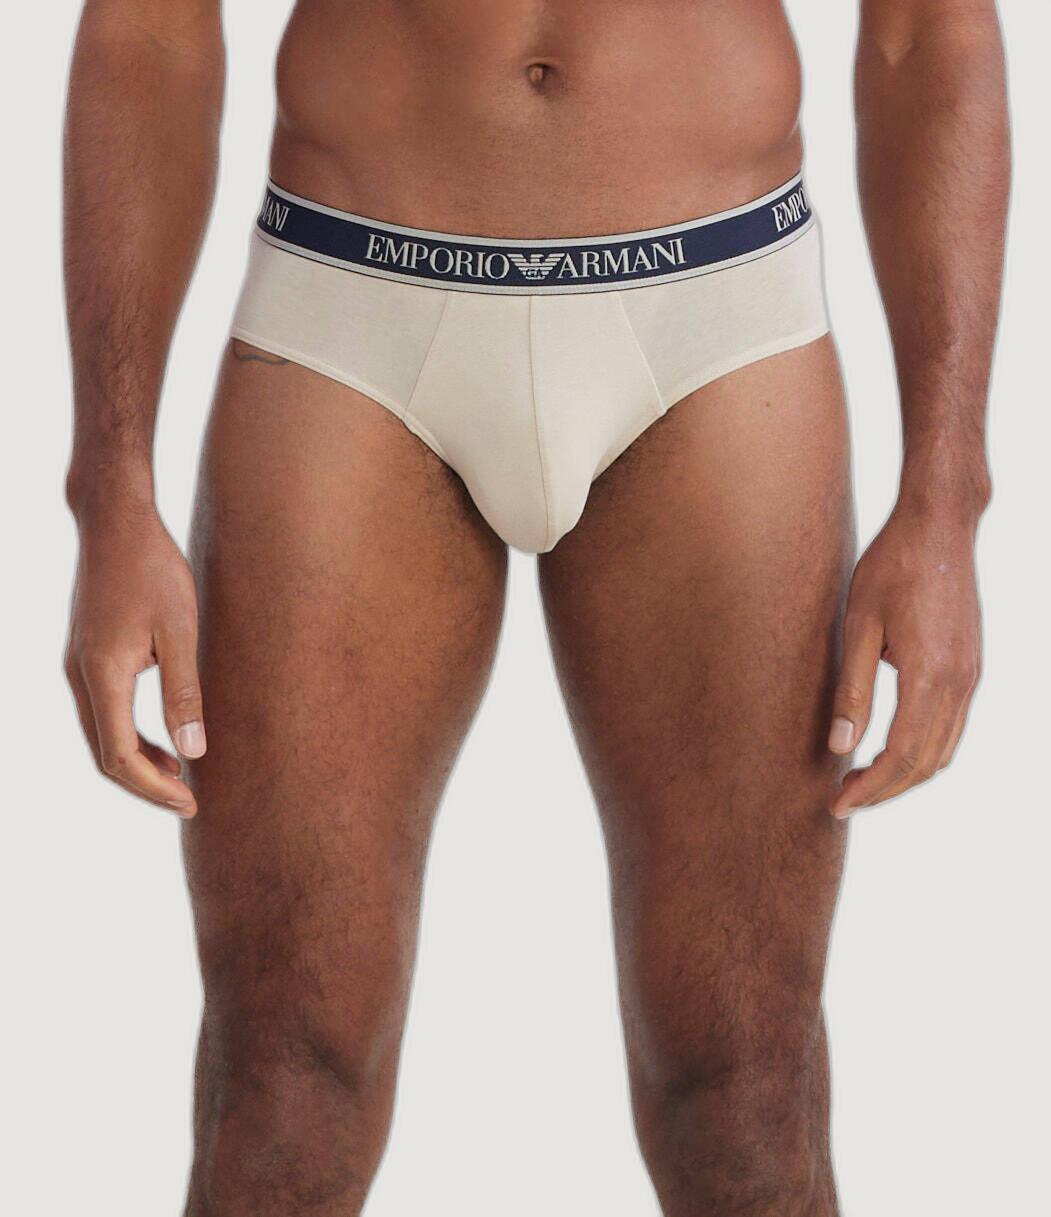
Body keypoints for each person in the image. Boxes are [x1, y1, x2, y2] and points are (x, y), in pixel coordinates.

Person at [62, 1, 1009, 1212]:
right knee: (285, 1089)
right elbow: (148, 30)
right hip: (353, 307)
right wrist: (111, 491)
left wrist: (944, 496)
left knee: (745, 1099)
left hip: (712, 316)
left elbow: (926, 32)